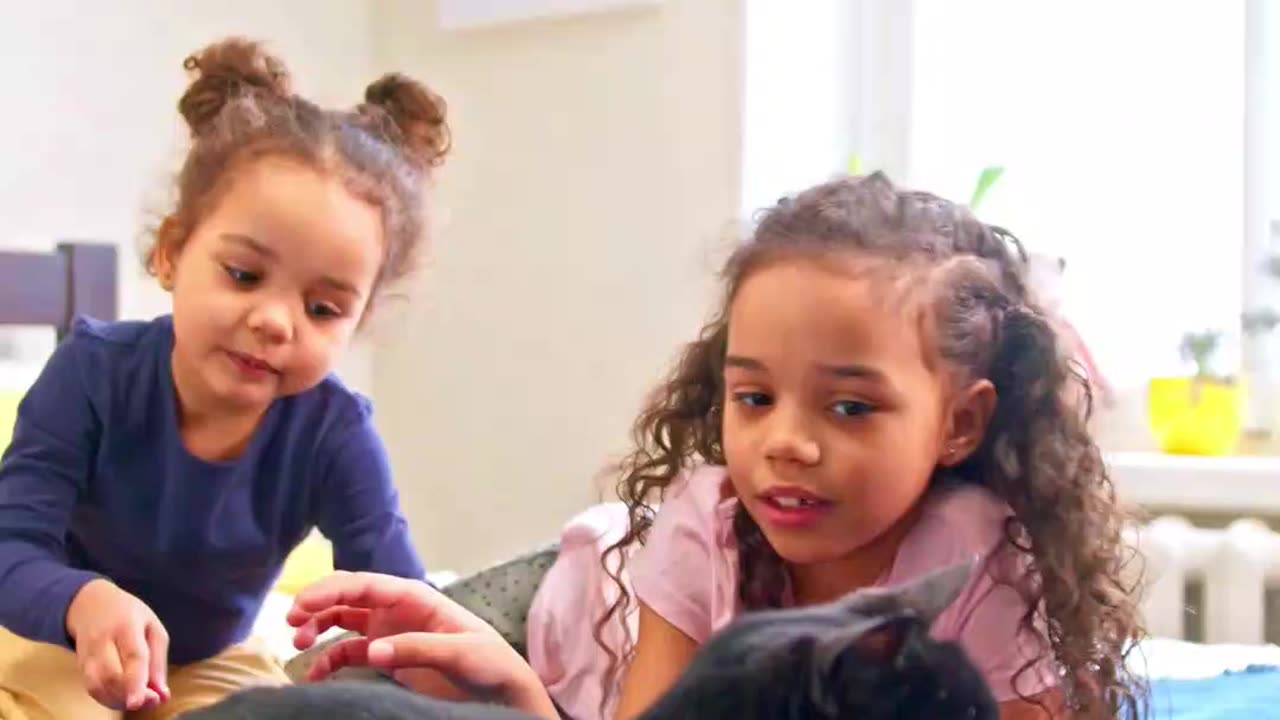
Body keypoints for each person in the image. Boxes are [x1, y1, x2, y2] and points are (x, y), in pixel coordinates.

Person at [286, 174, 1147, 720]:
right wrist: (517, 693)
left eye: (849, 407)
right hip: (581, 604)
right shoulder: (708, 520)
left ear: (959, 421)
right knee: (365, 670)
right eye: (754, 398)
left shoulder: (979, 559)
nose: (785, 444)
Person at [0, 36, 448, 720]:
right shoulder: (92, 373)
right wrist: (80, 599)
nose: (275, 321)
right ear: (173, 252)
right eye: (244, 275)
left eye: (322, 308)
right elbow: (10, 547)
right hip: (49, 637)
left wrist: (443, 665)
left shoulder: (332, 431)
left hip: (209, 658)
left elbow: (399, 595)